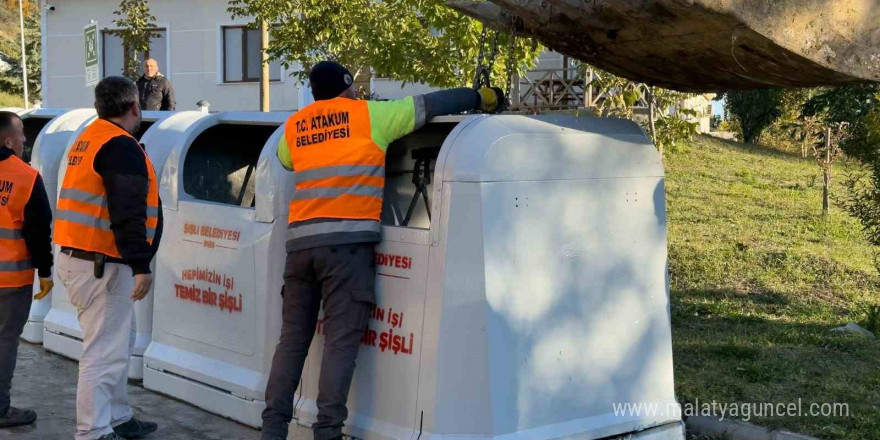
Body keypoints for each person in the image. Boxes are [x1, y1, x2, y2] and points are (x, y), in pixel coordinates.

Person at [261, 61, 504, 440]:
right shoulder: (370, 116)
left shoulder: (295, 125)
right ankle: (327, 433)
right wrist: (481, 96)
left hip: (301, 248)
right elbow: (430, 104)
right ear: (347, 87)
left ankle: (272, 430)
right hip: (347, 250)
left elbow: (285, 159)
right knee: (340, 344)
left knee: (292, 341)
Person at [54, 76, 163, 440]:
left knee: (120, 341)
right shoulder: (120, 145)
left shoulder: (88, 137)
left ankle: (117, 416)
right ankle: (94, 431)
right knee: (103, 351)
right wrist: (141, 265)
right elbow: (127, 210)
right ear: (135, 106)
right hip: (102, 263)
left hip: (80, 257)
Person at [0, 111, 53, 429]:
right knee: (5, 341)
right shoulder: (26, 176)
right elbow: (37, 230)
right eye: (21, 133)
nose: (24, 139)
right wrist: (45, 272)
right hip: (11, 280)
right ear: (8, 141)